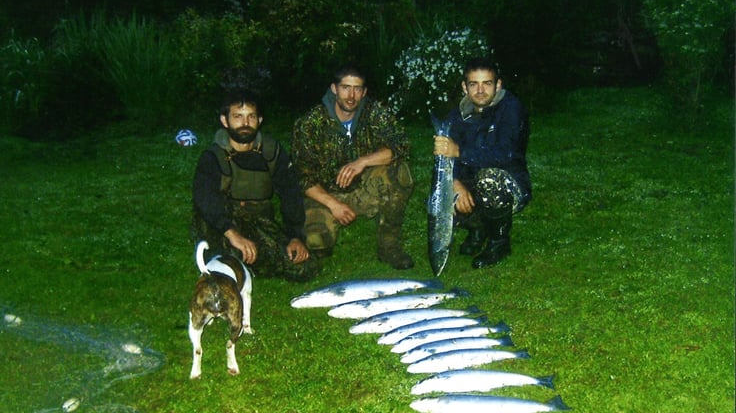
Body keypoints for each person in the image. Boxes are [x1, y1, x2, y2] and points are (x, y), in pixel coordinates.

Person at [291, 63, 415, 270]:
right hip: (325, 195)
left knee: (399, 171)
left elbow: (402, 146)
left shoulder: (374, 113)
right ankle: (325, 233)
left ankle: (389, 246)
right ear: (334, 89)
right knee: (316, 243)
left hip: (362, 190)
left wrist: (362, 162)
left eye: (357, 89)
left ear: (364, 91)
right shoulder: (310, 123)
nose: (351, 95)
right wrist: (334, 205)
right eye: (345, 87)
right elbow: (301, 177)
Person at [192, 89, 320, 282]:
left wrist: (296, 237)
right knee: (227, 270)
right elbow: (205, 199)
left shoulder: (271, 152)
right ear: (225, 121)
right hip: (222, 223)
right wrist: (232, 234)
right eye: (238, 117)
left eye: (251, 116)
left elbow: (290, 193)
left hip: (258, 221)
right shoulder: (213, 157)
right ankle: (225, 259)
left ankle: (250, 262)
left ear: (259, 120)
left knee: (303, 267)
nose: (245, 123)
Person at [434, 57, 532, 268]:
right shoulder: (457, 115)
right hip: (471, 180)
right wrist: (455, 182)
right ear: (464, 87)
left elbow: (504, 154)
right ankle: (477, 229)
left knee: (489, 179)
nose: (480, 90)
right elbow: (444, 158)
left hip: (508, 183)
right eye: (473, 84)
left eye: (487, 83)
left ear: (498, 85)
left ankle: (499, 242)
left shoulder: (511, 109)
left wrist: (459, 151)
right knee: (442, 190)